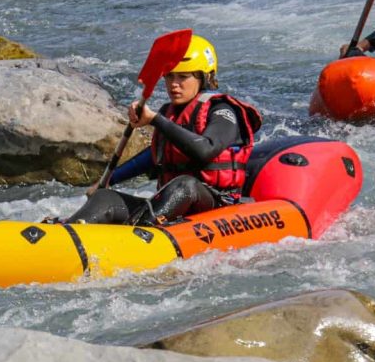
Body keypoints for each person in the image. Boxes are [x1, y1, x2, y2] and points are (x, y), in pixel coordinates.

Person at [59, 35, 262, 226]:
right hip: (171, 204)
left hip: (215, 203)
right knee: (105, 197)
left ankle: (140, 231)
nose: (174, 85)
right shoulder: (170, 112)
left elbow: (205, 151)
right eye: (169, 77)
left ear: (205, 78)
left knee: (185, 185)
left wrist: (155, 120)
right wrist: (108, 180)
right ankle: (68, 231)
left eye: (183, 77)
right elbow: (153, 156)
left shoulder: (224, 111)